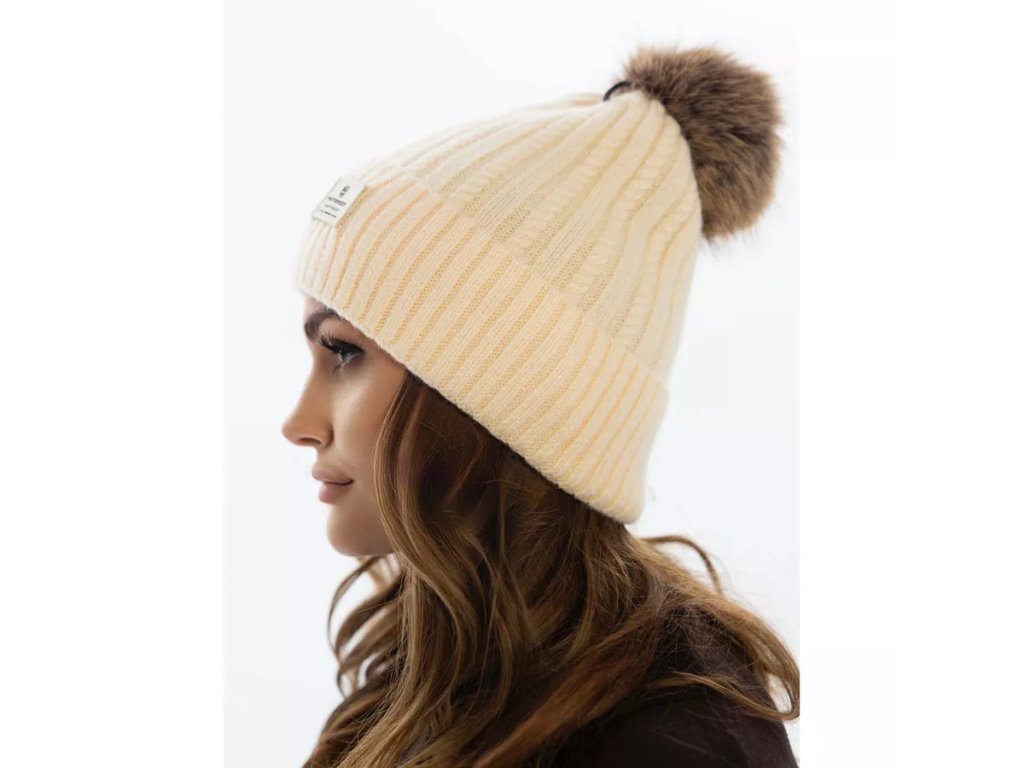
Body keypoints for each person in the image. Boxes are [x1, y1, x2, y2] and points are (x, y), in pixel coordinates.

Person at [282, 41, 799, 767]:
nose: (298, 424)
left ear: (501, 387)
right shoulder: (429, 667)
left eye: (344, 353)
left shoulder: (679, 741)